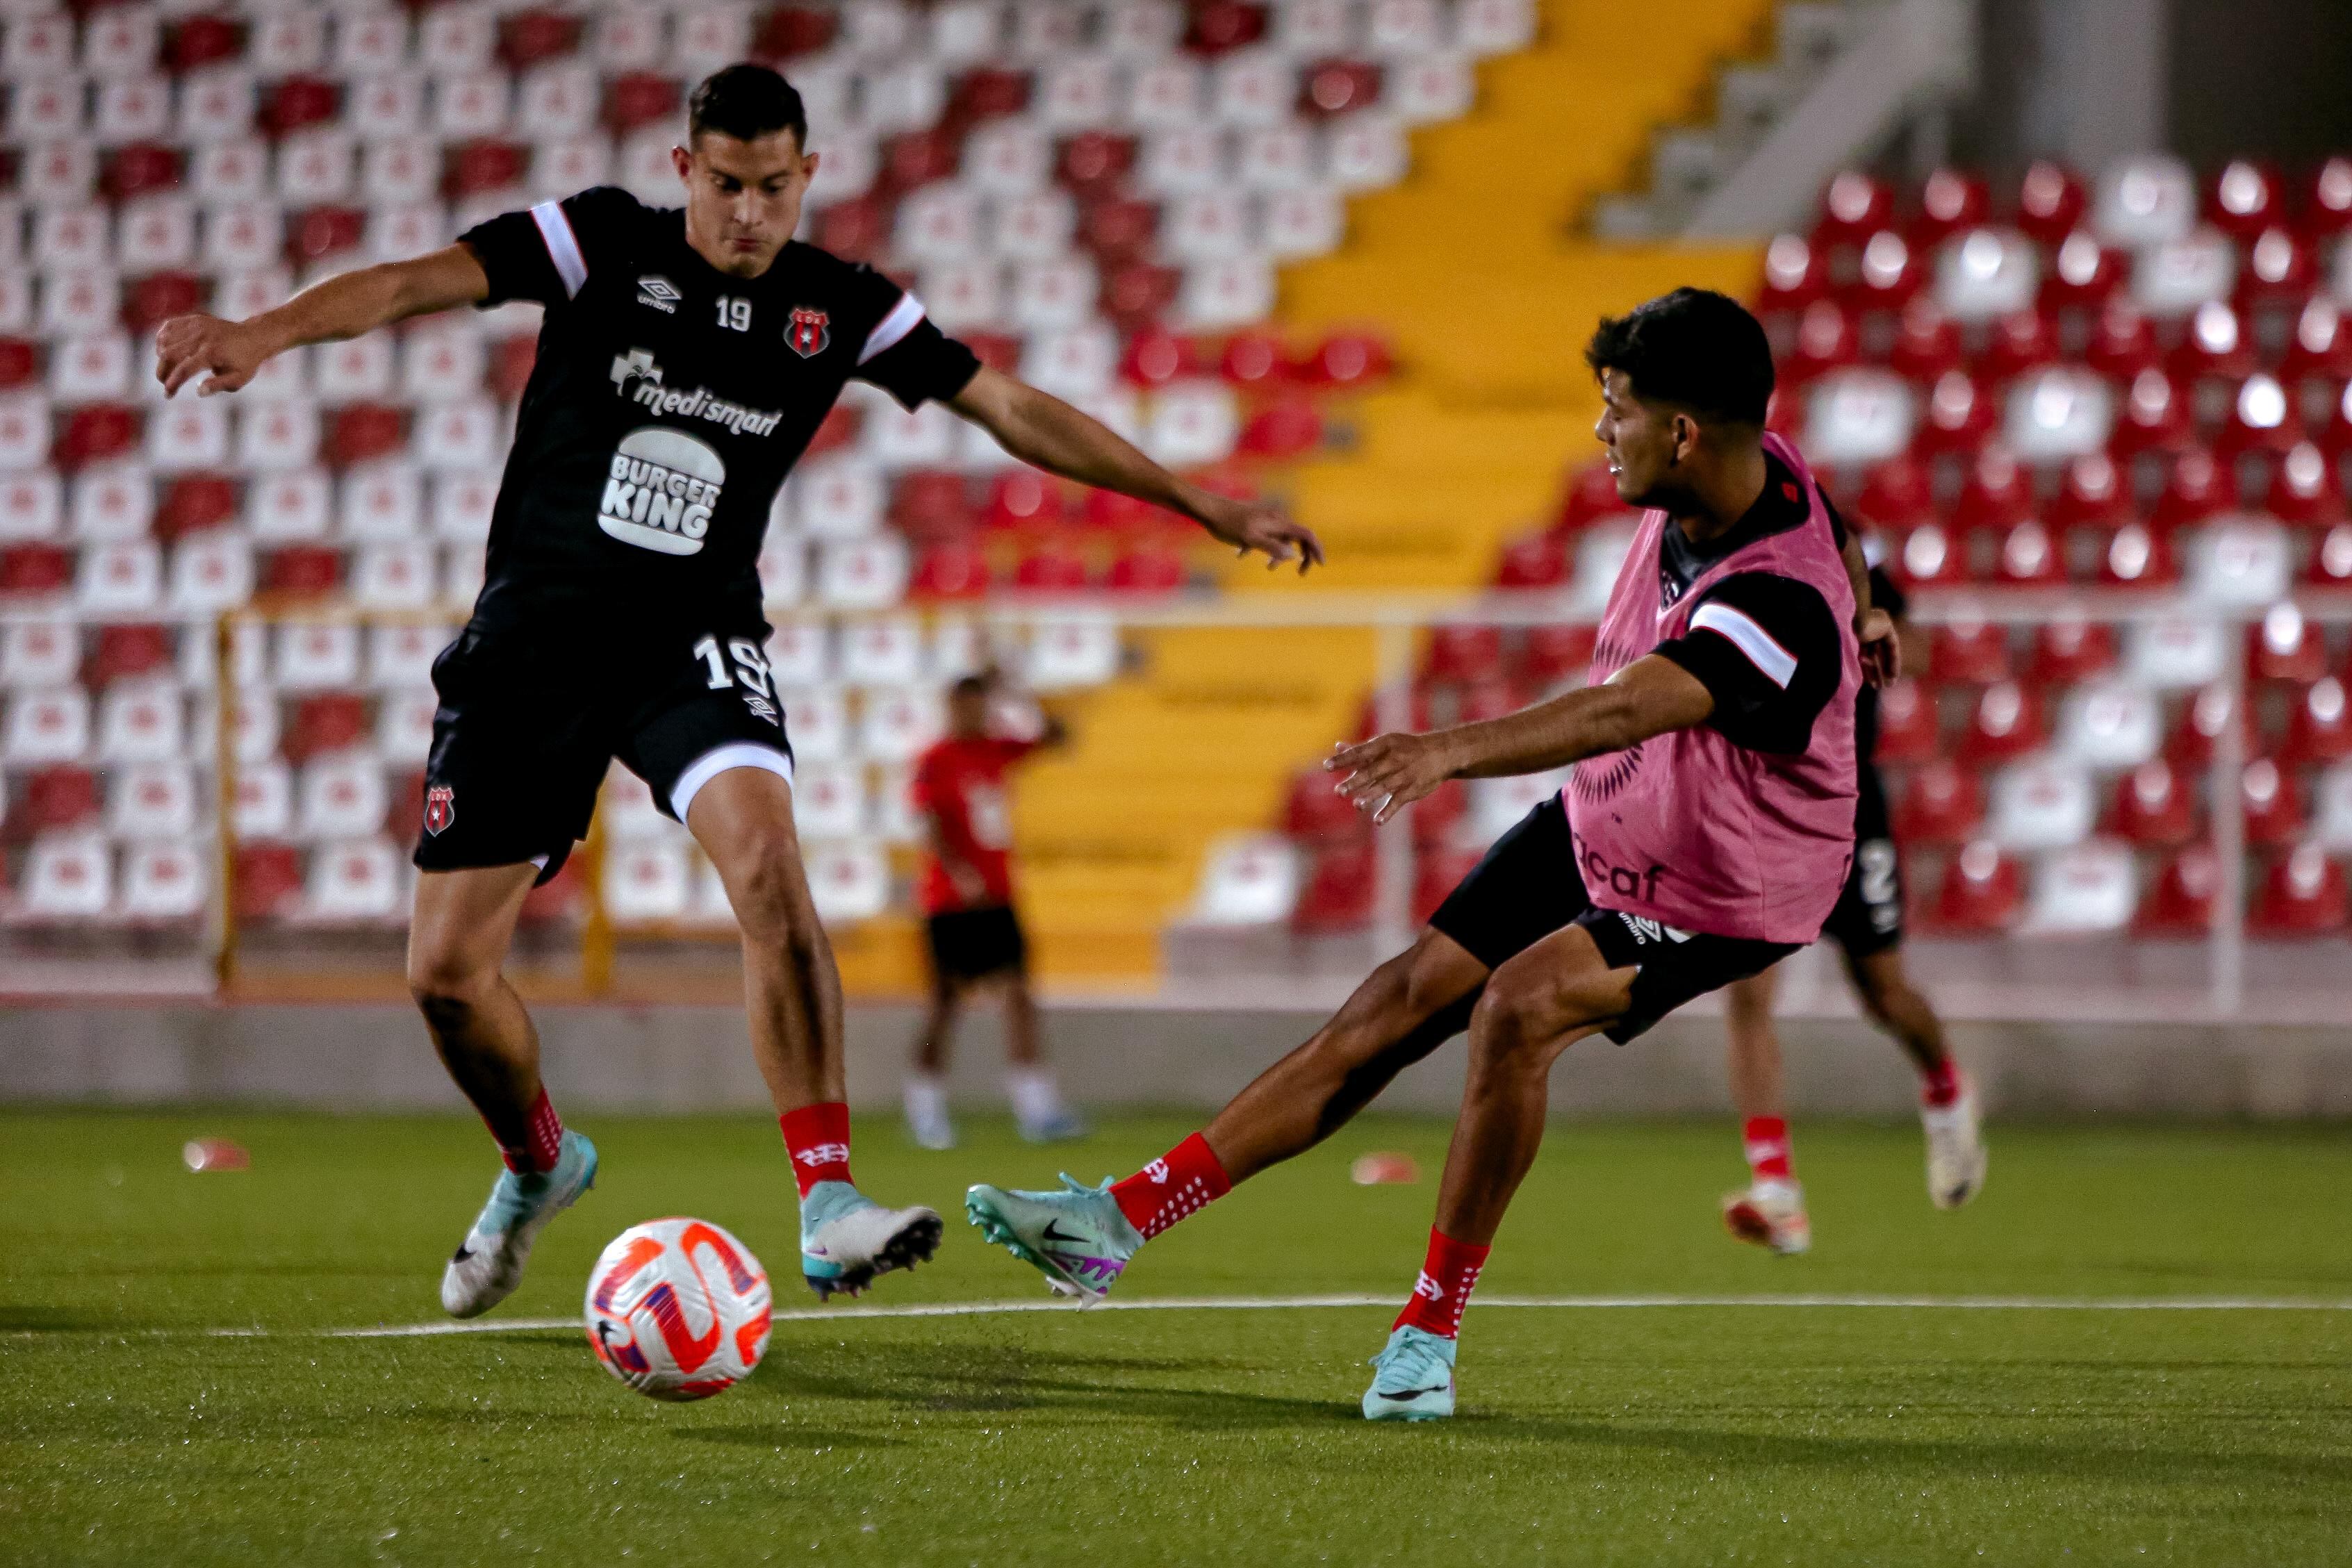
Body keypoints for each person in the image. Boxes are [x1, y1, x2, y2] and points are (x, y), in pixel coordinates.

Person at [154, 64, 1320, 1315]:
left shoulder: (843, 306)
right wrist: (261, 331)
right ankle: (539, 1165)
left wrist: (1199, 498)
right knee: (444, 975)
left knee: (768, 864)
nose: (750, 214)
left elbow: (1013, 408)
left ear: (807, 177)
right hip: (535, 646)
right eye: (726, 186)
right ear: (683, 172)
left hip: (691, 637)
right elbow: (410, 283)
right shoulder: (599, 242)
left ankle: (828, 1202)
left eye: (774, 187)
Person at [966, 287, 1899, 1421]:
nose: (1603, 434)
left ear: (1684, 432)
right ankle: (1106, 1226)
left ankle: (1426, 1335)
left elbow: (1622, 711)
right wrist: (1877, 604)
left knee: (1518, 1007)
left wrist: (1445, 750)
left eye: (1617, 411)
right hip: (1624, 815)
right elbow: (1835, 521)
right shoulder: (1767, 465)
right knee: (1407, 994)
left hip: (1727, 885)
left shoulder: (1776, 609)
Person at [1717, 550, 1985, 1255]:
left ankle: (1946, 1089)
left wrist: (1861, 635)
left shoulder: (1844, 559)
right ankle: (1777, 1192)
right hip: (1764, 812)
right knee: (1747, 992)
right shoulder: (1728, 565)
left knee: (1883, 992)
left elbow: (1911, 642)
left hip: (1848, 806)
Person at [903, 666, 1085, 1148]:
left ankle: (1036, 1107)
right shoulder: (935, 758)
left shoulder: (994, 748)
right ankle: (925, 1104)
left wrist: (1019, 688)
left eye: (982, 702)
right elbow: (930, 819)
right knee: (945, 1002)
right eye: (966, 703)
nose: (975, 712)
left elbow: (1059, 735)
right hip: (949, 901)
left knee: (1019, 996)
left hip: (999, 895)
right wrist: (960, 872)